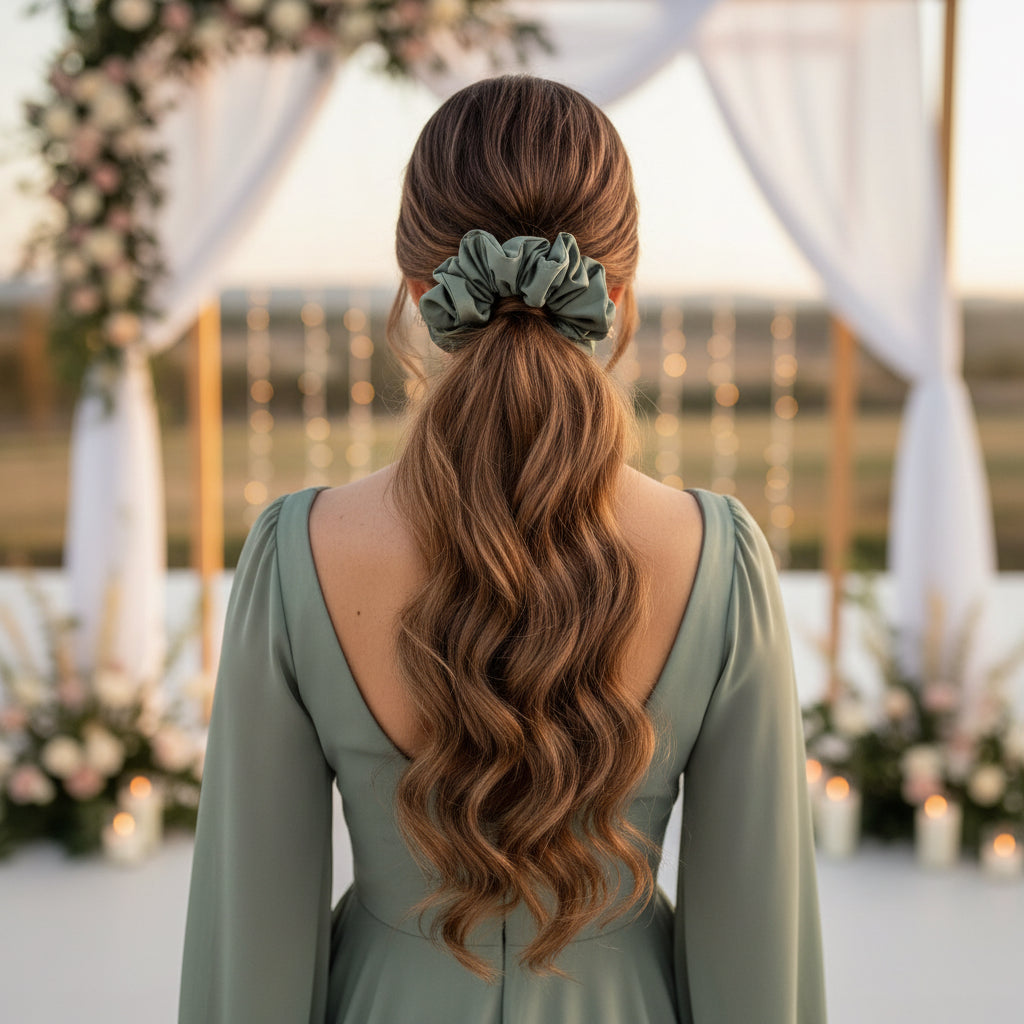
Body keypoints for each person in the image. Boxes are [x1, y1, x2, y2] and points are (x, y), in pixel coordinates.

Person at [178, 75, 826, 1023]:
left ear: (415, 292)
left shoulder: (297, 553)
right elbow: (756, 955)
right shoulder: (720, 558)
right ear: (617, 295)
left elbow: (251, 950)